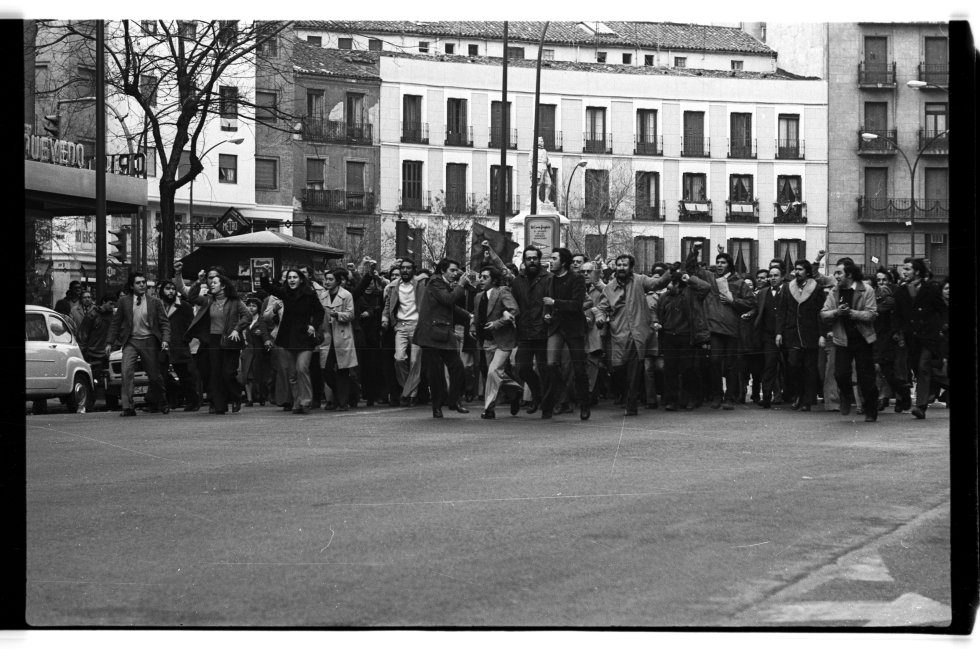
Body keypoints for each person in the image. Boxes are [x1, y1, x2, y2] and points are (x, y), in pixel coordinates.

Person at [596, 254, 670, 416]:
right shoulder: (609, 288)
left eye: (624, 265)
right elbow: (601, 308)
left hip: (638, 334)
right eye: (619, 265)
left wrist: (670, 272)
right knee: (618, 368)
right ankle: (626, 395)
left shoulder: (640, 280)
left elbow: (657, 283)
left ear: (631, 267)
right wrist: (600, 318)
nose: (621, 268)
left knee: (634, 370)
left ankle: (631, 405)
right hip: (619, 335)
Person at [687, 243, 756, 409]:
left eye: (723, 262)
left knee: (732, 365)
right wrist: (695, 251)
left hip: (733, 330)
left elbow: (752, 302)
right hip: (715, 329)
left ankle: (730, 397)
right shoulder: (710, 277)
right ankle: (717, 396)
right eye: (717, 262)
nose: (719, 265)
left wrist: (734, 301)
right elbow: (691, 269)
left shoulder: (739, 283)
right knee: (715, 362)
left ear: (729, 265)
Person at [178, 268, 251, 415]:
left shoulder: (235, 301)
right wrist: (198, 281)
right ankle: (220, 406)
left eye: (215, 282)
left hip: (231, 339)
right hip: (213, 340)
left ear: (223, 285)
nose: (211, 284)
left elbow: (247, 316)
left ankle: (236, 396)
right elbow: (192, 297)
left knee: (228, 373)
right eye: (210, 282)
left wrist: (237, 329)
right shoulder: (208, 300)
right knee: (215, 374)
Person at [256, 266, 324, 414]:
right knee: (292, 373)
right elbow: (267, 286)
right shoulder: (284, 293)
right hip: (287, 336)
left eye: (295, 277)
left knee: (302, 368)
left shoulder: (309, 294)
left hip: (304, 336)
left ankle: (306, 401)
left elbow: (320, 311)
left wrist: (313, 325)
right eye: (289, 278)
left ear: (300, 280)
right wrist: (264, 274)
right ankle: (297, 402)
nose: (292, 280)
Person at [413, 258, 473, 418]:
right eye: (452, 270)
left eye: (456, 271)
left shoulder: (443, 284)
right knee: (435, 373)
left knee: (457, 368)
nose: (455, 274)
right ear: (442, 270)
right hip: (431, 333)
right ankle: (437, 406)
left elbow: (450, 306)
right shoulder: (435, 282)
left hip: (443, 332)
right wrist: (461, 285)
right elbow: (448, 299)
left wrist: (469, 316)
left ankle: (453, 400)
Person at [105, 271, 171, 417]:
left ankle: (162, 400)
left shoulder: (155, 302)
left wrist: (165, 340)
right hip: (131, 341)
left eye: (143, 282)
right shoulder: (124, 302)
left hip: (149, 341)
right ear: (132, 286)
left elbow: (165, 323)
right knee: (126, 371)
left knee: (154, 376)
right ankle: (128, 407)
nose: (142, 285)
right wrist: (109, 342)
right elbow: (116, 323)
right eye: (138, 283)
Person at [821, 260, 879, 422]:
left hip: (863, 340)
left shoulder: (866, 290)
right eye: (835, 273)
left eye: (839, 273)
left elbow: (871, 314)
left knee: (866, 377)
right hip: (842, 339)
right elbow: (824, 314)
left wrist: (852, 313)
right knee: (840, 374)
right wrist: (837, 312)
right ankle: (846, 396)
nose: (836, 276)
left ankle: (870, 410)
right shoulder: (834, 291)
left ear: (849, 274)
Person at [892, 258, 947, 419]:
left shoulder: (931, 288)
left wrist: (942, 325)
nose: (904, 271)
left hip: (929, 336)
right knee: (916, 367)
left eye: (908, 269)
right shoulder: (901, 291)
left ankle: (921, 406)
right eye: (904, 268)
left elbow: (942, 309)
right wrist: (896, 331)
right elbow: (897, 315)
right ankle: (930, 390)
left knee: (923, 365)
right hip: (911, 337)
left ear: (917, 271)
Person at [541, 248, 590, 420]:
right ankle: (563, 397)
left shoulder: (577, 279)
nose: (551, 261)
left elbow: (577, 305)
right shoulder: (550, 280)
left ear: (563, 262)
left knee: (578, 369)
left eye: (554, 258)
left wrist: (555, 303)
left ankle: (584, 404)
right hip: (556, 326)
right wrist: (547, 314)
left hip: (573, 328)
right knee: (551, 364)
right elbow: (547, 304)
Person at [657, 270, 711, 411]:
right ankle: (671, 401)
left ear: (677, 284)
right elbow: (658, 315)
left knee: (688, 369)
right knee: (670, 370)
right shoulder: (664, 298)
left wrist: (690, 279)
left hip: (686, 336)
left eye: (670, 283)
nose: (667, 286)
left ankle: (690, 399)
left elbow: (706, 287)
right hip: (669, 336)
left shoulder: (691, 295)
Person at [472, 266, 521, 419]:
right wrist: (473, 327)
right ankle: (516, 391)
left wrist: (497, 323)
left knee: (493, 371)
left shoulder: (502, 291)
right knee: (494, 373)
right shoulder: (478, 296)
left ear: (493, 280)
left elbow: (514, 310)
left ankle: (489, 408)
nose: (481, 280)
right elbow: (477, 315)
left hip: (503, 340)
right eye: (481, 276)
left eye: (485, 277)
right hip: (487, 340)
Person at [776, 260, 826, 412]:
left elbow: (821, 313)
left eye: (800, 269)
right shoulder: (787, 287)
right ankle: (798, 394)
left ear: (807, 272)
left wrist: (822, 334)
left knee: (809, 368)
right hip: (792, 333)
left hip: (810, 333)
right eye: (795, 269)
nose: (797, 272)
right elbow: (782, 312)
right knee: (793, 365)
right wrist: (779, 332)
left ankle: (808, 400)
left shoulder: (817, 289)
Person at [510, 246, 553, 414]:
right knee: (523, 368)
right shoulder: (518, 280)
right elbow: (513, 302)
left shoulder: (548, 278)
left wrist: (548, 316)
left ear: (539, 259)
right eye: (529, 259)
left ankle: (547, 407)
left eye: (535, 258)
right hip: (524, 332)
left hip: (543, 331)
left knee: (545, 370)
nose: (532, 261)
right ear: (524, 261)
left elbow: (551, 301)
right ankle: (537, 395)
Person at [382, 258, 426, 406]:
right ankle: (407, 388)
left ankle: (410, 395)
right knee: (399, 358)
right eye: (403, 268)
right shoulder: (394, 286)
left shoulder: (420, 283)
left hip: (417, 326)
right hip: (400, 326)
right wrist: (386, 319)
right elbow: (388, 304)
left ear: (413, 269)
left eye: (408, 268)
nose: (405, 270)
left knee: (415, 361)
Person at [871, 268, 911, 413]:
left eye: (884, 280)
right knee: (882, 369)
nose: (882, 283)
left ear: (890, 280)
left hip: (892, 336)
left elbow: (885, 309)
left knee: (896, 368)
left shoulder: (891, 295)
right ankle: (891, 394)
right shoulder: (877, 294)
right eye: (879, 280)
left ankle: (901, 395)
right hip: (880, 335)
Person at [158, 279, 201, 412]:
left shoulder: (184, 306)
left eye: (173, 288)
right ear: (162, 291)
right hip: (162, 344)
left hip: (179, 344)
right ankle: (163, 401)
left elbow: (190, 325)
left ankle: (193, 401)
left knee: (185, 375)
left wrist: (185, 340)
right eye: (167, 288)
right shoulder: (157, 305)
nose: (170, 291)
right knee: (160, 374)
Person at [319, 268, 358, 411]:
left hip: (341, 335)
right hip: (327, 335)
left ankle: (343, 402)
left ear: (338, 281)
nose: (327, 282)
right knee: (326, 369)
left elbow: (351, 314)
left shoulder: (346, 295)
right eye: (326, 279)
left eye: (330, 279)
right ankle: (343, 393)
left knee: (343, 370)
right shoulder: (323, 296)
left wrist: (337, 315)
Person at [751, 265, 785, 408]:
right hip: (768, 336)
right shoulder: (762, 293)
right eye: (771, 275)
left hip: (786, 334)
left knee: (791, 365)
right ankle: (766, 397)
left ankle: (793, 395)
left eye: (776, 275)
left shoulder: (788, 291)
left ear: (782, 277)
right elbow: (756, 309)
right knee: (769, 366)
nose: (772, 278)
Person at [79, 293, 117, 409]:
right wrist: (83, 351)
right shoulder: (92, 315)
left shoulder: (113, 316)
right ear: (104, 302)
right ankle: (90, 404)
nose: (112, 306)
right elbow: (83, 334)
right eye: (110, 304)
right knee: (94, 382)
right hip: (93, 353)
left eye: (114, 304)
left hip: (109, 353)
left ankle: (112, 404)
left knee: (111, 381)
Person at [240, 296, 272, 407]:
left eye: (254, 306)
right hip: (247, 350)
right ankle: (249, 399)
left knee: (260, 376)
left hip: (259, 351)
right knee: (247, 375)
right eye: (249, 306)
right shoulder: (244, 320)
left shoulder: (262, 320)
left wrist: (263, 336)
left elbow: (267, 334)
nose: (251, 308)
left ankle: (261, 397)